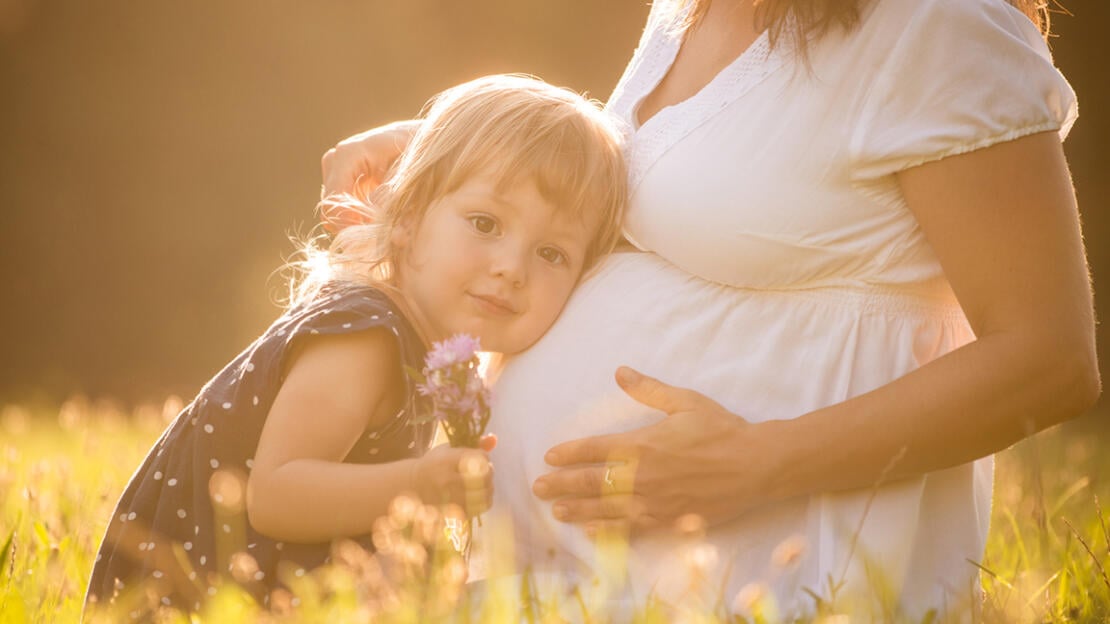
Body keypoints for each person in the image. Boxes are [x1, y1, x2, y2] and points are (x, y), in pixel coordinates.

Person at [321, 0, 1098, 618]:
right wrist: (453, 144)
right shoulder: (688, 8)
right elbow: (692, 174)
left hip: (776, 575)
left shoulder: (938, 26)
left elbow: (1048, 359)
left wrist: (756, 463)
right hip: (572, 577)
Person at [85, 74, 627, 619]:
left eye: (552, 253)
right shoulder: (367, 337)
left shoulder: (412, 343)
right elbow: (275, 495)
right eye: (485, 223)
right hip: (188, 598)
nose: (511, 267)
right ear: (408, 220)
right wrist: (417, 484)